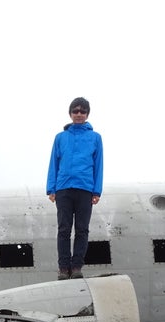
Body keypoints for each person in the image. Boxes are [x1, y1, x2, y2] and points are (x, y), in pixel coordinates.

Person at [46, 96, 104, 280]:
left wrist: (97, 190)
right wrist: (51, 188)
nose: (79, 114)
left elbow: (98, 164)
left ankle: (77, 266)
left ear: (87, 114)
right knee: (64, 229)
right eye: (75, 111)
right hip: (63, 188)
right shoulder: (60, 137)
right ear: (70, 113)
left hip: (85, 188)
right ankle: (64, 268)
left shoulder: (95, 137)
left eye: (82, 111)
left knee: (82, 229)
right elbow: (54, 163)